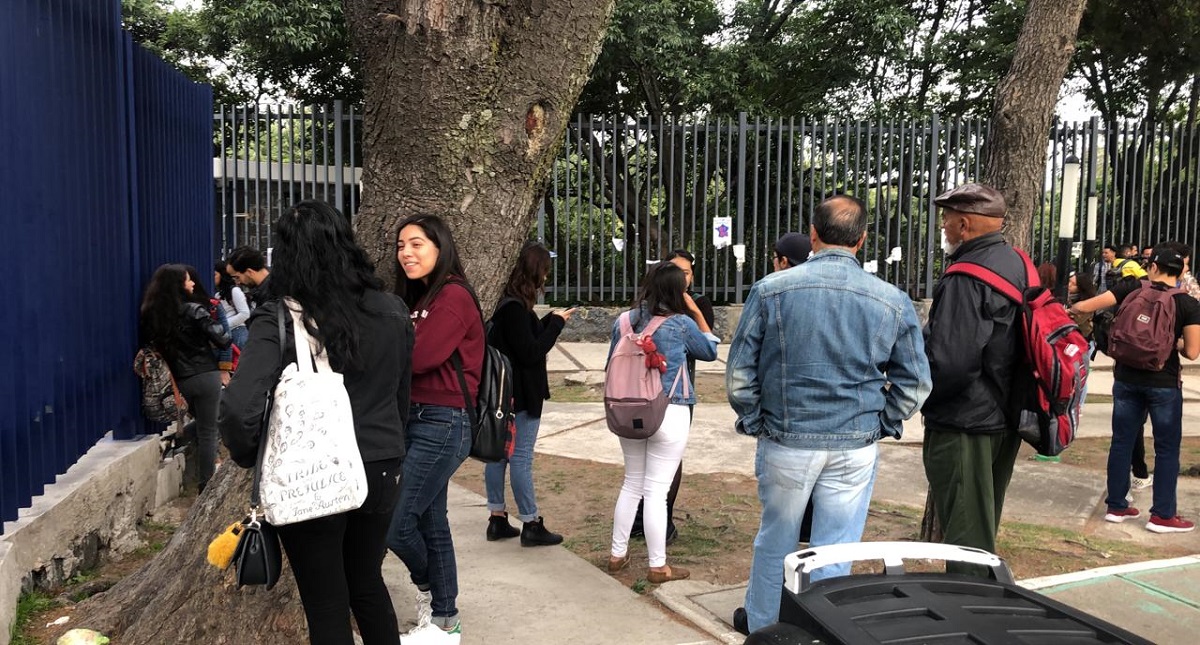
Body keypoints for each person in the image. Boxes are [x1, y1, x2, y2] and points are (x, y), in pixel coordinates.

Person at [728, 195, 930, 633]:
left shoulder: (771, 290)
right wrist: (884, 422)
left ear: (813, 235)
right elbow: (916, 382)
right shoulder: (892, 300)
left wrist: (756, 419)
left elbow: (740, 371)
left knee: (776, 541)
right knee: (836, 547)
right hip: (854, 442)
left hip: (787, 439)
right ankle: (822, 629)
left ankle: (763, 627)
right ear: (862, 239)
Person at [218, 200, 413, 645]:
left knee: (326, 602)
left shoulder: (280, 318)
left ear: (286, 256)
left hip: (311, 472)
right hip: (381, 464)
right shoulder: (393, 311)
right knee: (367, 585)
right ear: (346, 244)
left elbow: (237, 407)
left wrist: (252, 455)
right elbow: (401, 397)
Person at [921, 183, 1028, 577]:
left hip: (966, 422)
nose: (944, 227)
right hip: (1002, 418)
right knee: (982, 525)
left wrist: (919, 398)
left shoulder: (967, 277)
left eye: (946, 220)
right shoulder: (1015, 262)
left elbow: (952, 362)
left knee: (969, 543)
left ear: (964, 225)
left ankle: (973, 616)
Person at [387, 214, 481, 644]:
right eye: (401, 245)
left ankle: (433, 595)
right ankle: (445, 621)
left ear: (440, 248)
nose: (406, 252)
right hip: (417, 419)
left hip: (443, 422)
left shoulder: (454, 296)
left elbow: (418, 357)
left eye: (417, 244)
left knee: (395, 522)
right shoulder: (420, 299)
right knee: (431, 522)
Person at [1070, 246, 1200, 533]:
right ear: (1181, 274)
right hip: (1163, 383)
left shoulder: (1130, 287)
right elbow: (1192, 352)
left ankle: (1116, 506)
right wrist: (1170, 342)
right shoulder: (1187, 304)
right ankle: (1162, 515)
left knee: (1122, 442)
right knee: (1166, 449)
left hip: (1127, 378)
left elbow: (1083, 307)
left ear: (1152, 266)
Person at [606, 262, 719, 584]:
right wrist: (697, 314)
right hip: (669, 409)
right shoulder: (680, 324)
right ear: (676, 292)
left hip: (627, 409)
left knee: (631, 483)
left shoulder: (623, 321)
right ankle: (658, 566)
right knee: (656, 490)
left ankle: (617, 554)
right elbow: (710, 351)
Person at [484, 241, 571, 546]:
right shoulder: (515, 309)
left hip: (504, 395)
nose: (546, 278)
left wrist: (548, 320)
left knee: (497, 457)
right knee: (520, 458)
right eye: (545, 272)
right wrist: (556, 325)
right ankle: (531, 523)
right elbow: (531, 351)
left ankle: (497, 517)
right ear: (535, 271)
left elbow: (523, 340)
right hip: (521, 395)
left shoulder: (507, 305)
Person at [630, 248, 714, 543]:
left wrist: (693, 311)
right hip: (643, 392)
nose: (682, 278)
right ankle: (643, 520)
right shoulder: (645, 308)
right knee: (642, 463)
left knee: (668, 460)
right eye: (676, 272)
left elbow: (705, 348)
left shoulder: (696, 306)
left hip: (678, 393)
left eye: (687, 273)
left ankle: (660, 518)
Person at [138, 264, 231, 492]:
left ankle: (172, 441)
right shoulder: (194, 310)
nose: (192, 284)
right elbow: (224, 339)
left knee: (205, 423)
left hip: (179, 381)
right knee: (209, 430)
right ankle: (206, 486)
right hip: (206, 375)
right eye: (188, 280)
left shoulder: (151, 315)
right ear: (178, 285)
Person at [214, 260, 251, 349]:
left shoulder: (235, 291)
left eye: (215, 274)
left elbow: (245, 313)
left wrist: (225, 324)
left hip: (238, 332)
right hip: (227, 333)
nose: (213, 277)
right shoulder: (218, 295)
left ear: (222, 275)